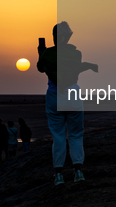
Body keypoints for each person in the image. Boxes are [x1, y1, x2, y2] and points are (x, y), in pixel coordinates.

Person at [37, 21, 98, 185]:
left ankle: (58, 174)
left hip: (54, 95)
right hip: (72, 93)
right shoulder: (76, 53)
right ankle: (78, 171)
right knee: (76, 134)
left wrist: (41, 53)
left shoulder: (48, 53)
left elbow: (40, 68)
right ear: (69, 36)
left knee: (58, 135)